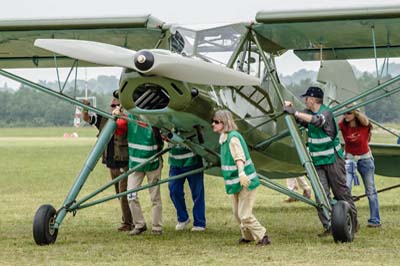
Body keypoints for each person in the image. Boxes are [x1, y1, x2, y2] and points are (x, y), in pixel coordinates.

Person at [283, 86, 358, 236]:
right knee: (320, 195)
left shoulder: (326, 113)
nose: (305, 101)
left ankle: (352, 224)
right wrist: (291, 108)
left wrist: (295, 112)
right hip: (317, 162)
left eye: (307, 98)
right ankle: (329, 226)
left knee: (341, 193)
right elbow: (301, 118)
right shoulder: (309, 113)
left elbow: (317, 121)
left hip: (333, 160)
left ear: (312, 99)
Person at [212, 109, 271, 246]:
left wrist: (241, 173)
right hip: (236, 183)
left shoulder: (233, 138)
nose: (213, 124)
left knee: (244, 214)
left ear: (224, 122)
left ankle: (263, 235)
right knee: (237, 214)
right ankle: (248, 236)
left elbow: (239, 157)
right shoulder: (224, 138)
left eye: (216, 122)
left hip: (245, 181)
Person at [81, 95, 133, 231]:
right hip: (111, 164)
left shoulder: (127, 121)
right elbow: (87, 119)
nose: (113, 108)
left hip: (124, 163)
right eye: (112, 105)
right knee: (119, 195)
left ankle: (128, 223)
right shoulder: (104, 119)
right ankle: (128, 220)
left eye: (116, 105)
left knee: (124, 195)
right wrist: (85, 109)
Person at [339, 106, 381, 227]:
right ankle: (347, 219)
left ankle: (375, 220)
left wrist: (356, 112)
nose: (345, 115)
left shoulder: (364, 125)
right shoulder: (343, 125)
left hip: (365, 158)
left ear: (355, 114)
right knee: (346, 189)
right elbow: (333, 127)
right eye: (344, 113)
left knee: (371, 190)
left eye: (348, 113)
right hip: (349, 158)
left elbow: (366, 121)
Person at [126, 114, 164, 235]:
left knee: (155, 197)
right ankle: (139, 224)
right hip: (135, 165)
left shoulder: (155, 119)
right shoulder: (129, 118)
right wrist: (117, 114)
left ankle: (157, 227)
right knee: (130, 195)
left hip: (153, 164)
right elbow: (119, 125)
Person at [168, 145, 206, 231]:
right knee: (173, 189)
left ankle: (199, 222)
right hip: (175, 162)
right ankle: (183, 218)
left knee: (197, 193)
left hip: (193, 161)